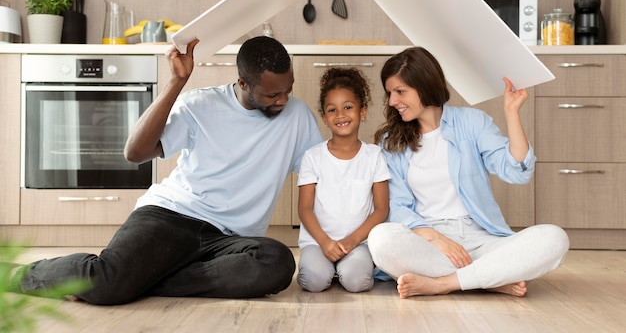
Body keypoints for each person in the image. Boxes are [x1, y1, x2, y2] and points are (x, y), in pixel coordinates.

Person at [12, 36, 323, 305]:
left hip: (230, 241)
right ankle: (17, 275)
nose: (283, 99)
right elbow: (135, 153)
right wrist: (177, 82)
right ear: (243, 83)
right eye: (272, 95)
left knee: (277, 262)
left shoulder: (296, 115)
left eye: (287, 89)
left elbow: (320, 177)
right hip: (170, 217)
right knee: (107, 283)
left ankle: (139, 281)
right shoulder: (199, 105)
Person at [367, 47, 569, 299]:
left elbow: (517, 172)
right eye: (389, 93)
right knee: (381, 239)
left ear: (425, 85)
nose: (392, 102)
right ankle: (488, 278)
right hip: (428, 240)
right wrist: (437, 239)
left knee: (554, 238)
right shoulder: (390, 141)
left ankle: (444, 283)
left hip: (482, 239)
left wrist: (511, 112)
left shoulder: (473, 122)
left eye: (400, 92)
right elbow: (395, 206)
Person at [296, 67, 389, 293]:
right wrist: (326, 243)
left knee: (357, 282)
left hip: (358, 242)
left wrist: (351, 241)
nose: (340, 115)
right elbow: (305, 209)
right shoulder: (312, 157)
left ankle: (345, 268)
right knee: (314, 281)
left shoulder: (374, 155)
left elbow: (381, 209)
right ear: (324, 119)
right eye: (332, 110)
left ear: (363, 111)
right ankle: (328, 268)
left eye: (348, 107)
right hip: (318, 242)